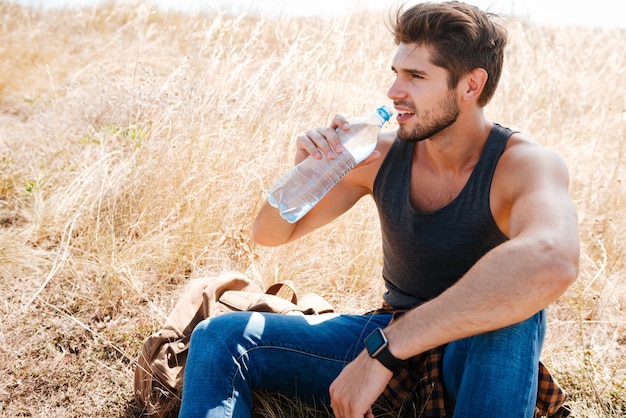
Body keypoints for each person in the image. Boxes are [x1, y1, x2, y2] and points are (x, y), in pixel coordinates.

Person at [179, 1, 580, 417]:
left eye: (416, 76)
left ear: (470, 86)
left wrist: (383, 354)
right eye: (396, 73)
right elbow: (269, 234)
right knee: (220, 336)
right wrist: (303, 176)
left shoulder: (524, 165)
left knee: (513, 308)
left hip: (473, 351)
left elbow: (554, 260)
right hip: (388, 333)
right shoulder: (378, 154)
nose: (393, 91)